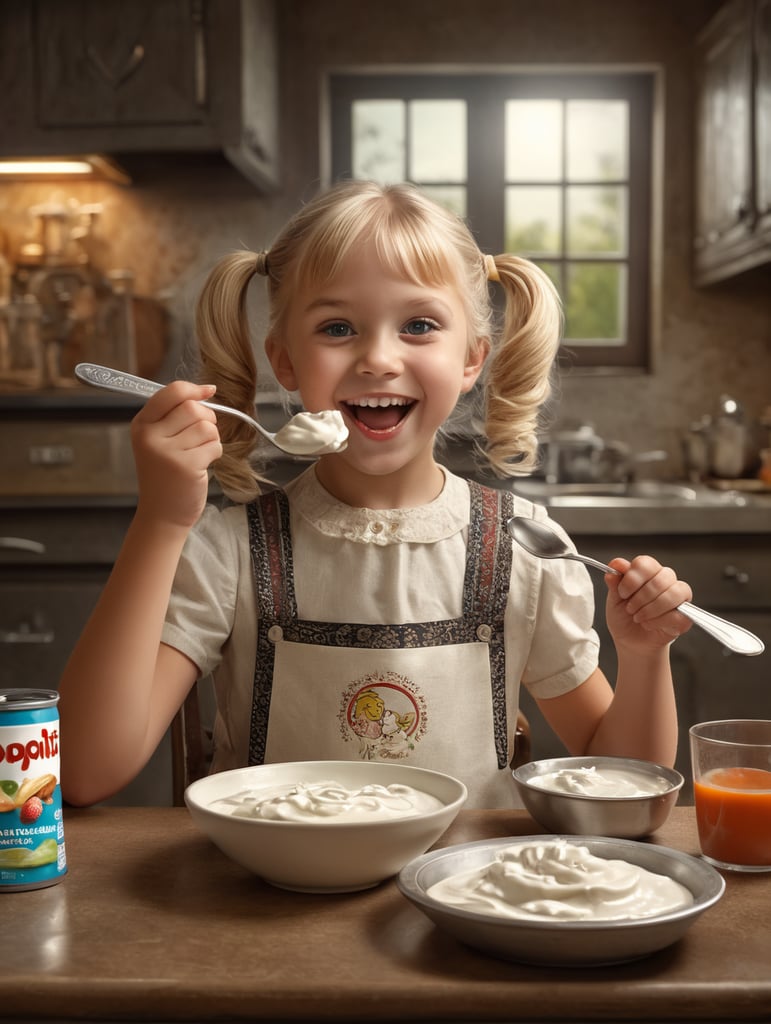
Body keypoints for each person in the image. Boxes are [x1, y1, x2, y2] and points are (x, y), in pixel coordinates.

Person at [58, 180, 693, 809]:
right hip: (266, 904)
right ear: (284, 361)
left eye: (418, 325)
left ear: (472, 358)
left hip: (460, 896)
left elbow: (625, 784)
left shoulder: (525, 550)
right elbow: (85, 770)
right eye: (337, 328)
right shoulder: (230, 551)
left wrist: (642, 656)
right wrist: (162, 520)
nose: (378, 359)